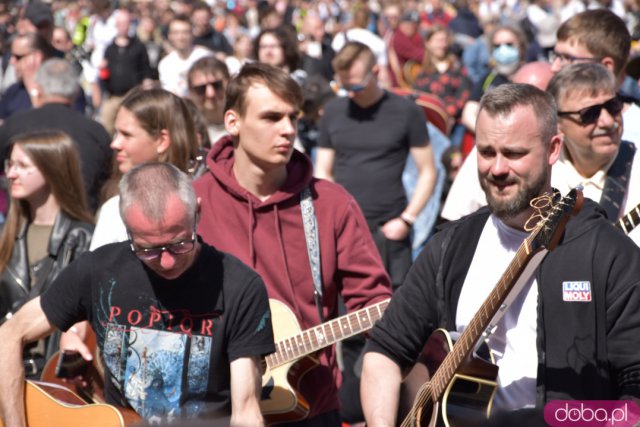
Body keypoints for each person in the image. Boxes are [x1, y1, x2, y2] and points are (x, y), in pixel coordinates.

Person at [360, 84, 640, 426]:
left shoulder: (608, 253)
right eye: (486, 152)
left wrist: (572, 419)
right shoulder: (451, 245)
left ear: (553, 149)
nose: (497, 168)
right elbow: (385, 351)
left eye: (514, 153)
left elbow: (635, 384)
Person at [193, 62, 392, 425]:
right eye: (271, 117)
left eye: (293, 118)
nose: (287, 130)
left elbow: (374, 301)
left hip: (311, 406)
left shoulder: (330, 203)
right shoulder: (194, 203)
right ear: (232, 122)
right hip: (210, 406)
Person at [0, 162, 274, 425]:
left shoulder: (239, 286)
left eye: (179, 243)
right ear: (126, 229)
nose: (167, 262)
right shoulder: (98, 271)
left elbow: (246, 412)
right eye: (148, 249)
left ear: (197, 214)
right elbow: (10, 334)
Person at [317, 42, 437, 290]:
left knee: (393, 310)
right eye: (343, 86)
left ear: (375, 73)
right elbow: (323, 171)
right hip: (344, 231)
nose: (351, 93)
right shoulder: (333, 112)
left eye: (357, 86)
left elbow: (428, 171)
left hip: (389, 230)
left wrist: (407, 219)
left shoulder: (406, 112)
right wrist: (330, 219)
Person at [0, 130, 94, 378]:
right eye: (10, 164)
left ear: (51, 168)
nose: (10, 174)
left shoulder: (83, 237)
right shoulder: (4, 235)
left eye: (22, 165)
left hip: (52, 377)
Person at [88, 88, 198, 250]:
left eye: (126, 135)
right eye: (116, 133)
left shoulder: (115, 210)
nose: (115, 144)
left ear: (162, 141)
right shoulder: (113, 207)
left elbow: (101, 274)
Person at [0, 58, 113, 213]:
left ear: (39, 88)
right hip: (82, 221)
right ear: (76, 91)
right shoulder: (96, 132)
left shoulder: (14, 125)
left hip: (27, 222)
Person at [547, 63, 640, 244]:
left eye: (613, 106)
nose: (606, 121)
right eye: (590, 113)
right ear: (557, 123)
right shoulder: (541, 175)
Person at [99, 8, 154, 136]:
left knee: (133, 128)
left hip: (132, 95)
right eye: (120, 23)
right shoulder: (110, 48)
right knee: (106, 128)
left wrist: (146, 83)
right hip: (112, 96)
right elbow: (104, 74)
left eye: (125, 23)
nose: (123, 26)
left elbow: (146, 68)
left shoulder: (138, 46)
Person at [158, 15, 212, 97]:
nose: (180, 37)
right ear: (169, 36)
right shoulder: (165, 64)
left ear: (192, 34)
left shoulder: (204, 56)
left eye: (185, 32)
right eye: (176, 33)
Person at [187, 56, 230, 144]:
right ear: (191, 92)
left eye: (216, 85)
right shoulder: (187, 131)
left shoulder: (246, 120)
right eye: (201, 89)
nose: (210, 94)